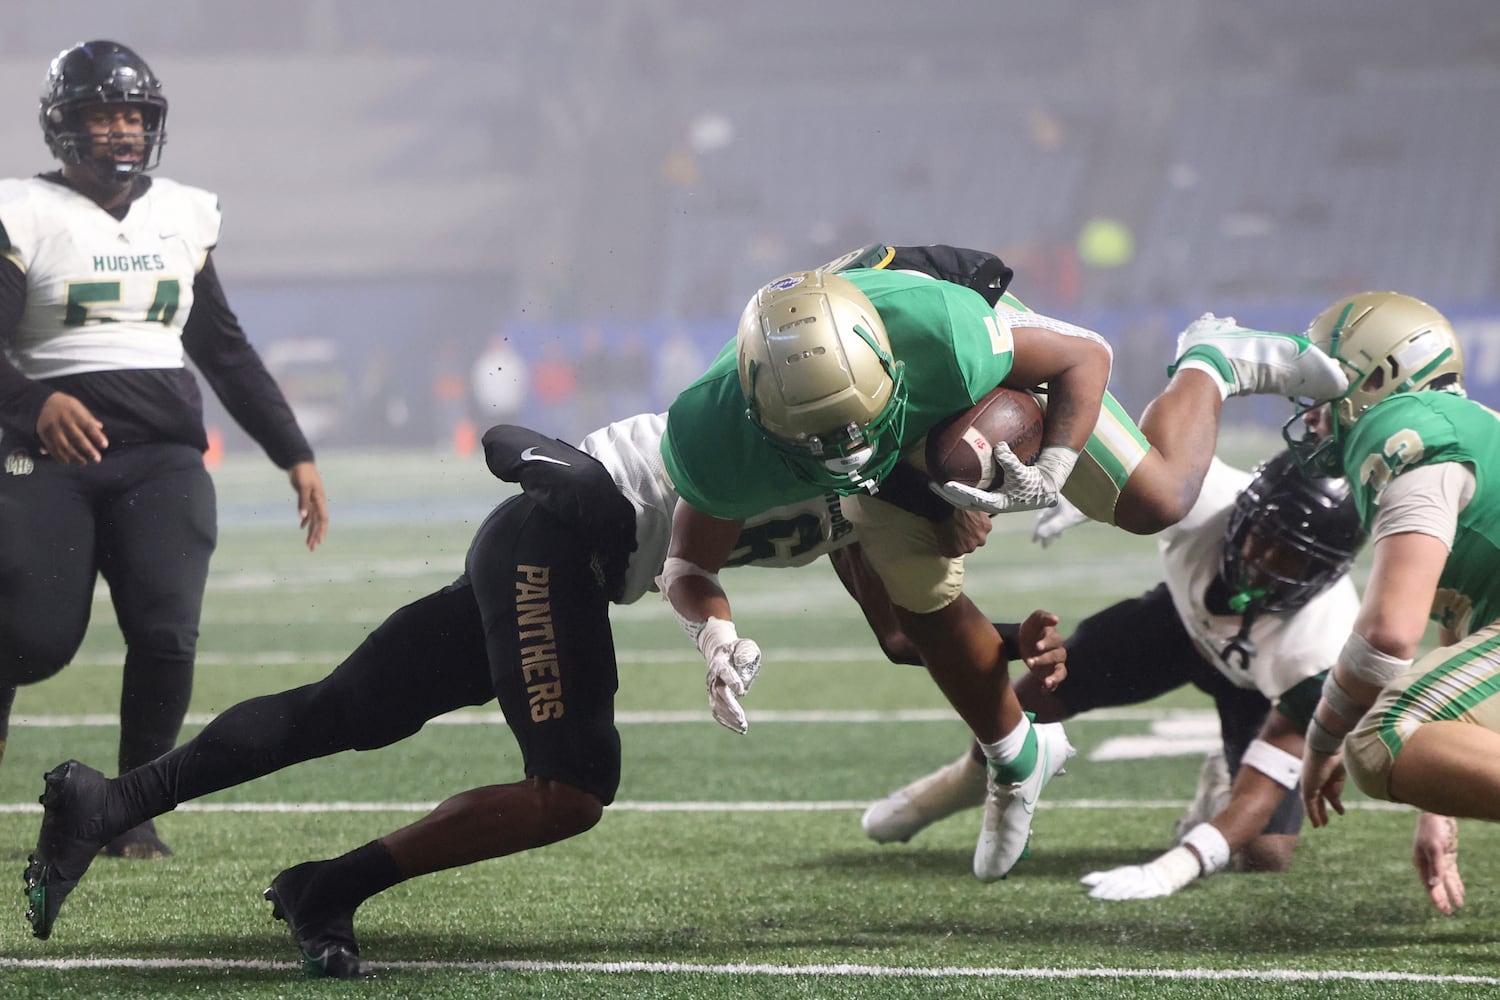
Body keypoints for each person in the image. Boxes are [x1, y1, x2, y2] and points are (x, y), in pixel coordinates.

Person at [22, 410, 1065, 977]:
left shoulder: (876, 502)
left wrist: (1010, 639)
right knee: (573, 783)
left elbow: (897, 632)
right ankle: (325, 887)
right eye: (972, 495)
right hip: (555, 540)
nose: (971, 515)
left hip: (558, 559)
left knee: (349, 708)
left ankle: (111, 801)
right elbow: (541, 452)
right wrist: (550, 462)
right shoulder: (801, 419)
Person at [655, 244, 1349, 880]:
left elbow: (1087, 355)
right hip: (884, 432)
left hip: (950, 385)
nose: (845, 447)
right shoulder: (710, 437)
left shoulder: (945, 336)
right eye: (820, 436)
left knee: (1157, 499)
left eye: (853, 422)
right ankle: (1015, 758)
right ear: (756, 413)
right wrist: (714, 637)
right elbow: (689, 567)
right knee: (910, 620)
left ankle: (1215, 361)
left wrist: (1054, 466)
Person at [0, 40, 329, 858]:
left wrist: (293, 450)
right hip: (46, 459)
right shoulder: (20, 211)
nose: (120, 129)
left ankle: (126, 813)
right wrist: (36, 403)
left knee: (165, 632)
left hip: (162, 457)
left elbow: (223, 348)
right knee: (31, 639)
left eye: (133, 114)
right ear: (63, 126)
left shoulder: (183, 213)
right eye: (102, 114)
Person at [860, 451, 1369, 900]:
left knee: (1265, 855)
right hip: (1176, 628)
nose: (1261, 561)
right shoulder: (1205, 495)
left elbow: (1264, 788)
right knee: (1036, 696)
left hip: (1255, 690)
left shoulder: (1323, 644)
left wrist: (1176, 868)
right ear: (1246, 508)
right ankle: (960, 783)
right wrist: (1095, 494)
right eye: (1263, 535)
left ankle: (1219, 780)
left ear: (1326, 572)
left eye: (1291, 556)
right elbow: (1130, 454)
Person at [1290, 291, 1488, 917]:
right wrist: (1441, 807)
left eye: (1325, 389)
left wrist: (1320, 744)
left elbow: (1387, 637)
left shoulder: (1403, 429)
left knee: (1380, 740)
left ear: (1379, 376)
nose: (1314, 416)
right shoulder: (1466, 427)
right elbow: (1457, 662)